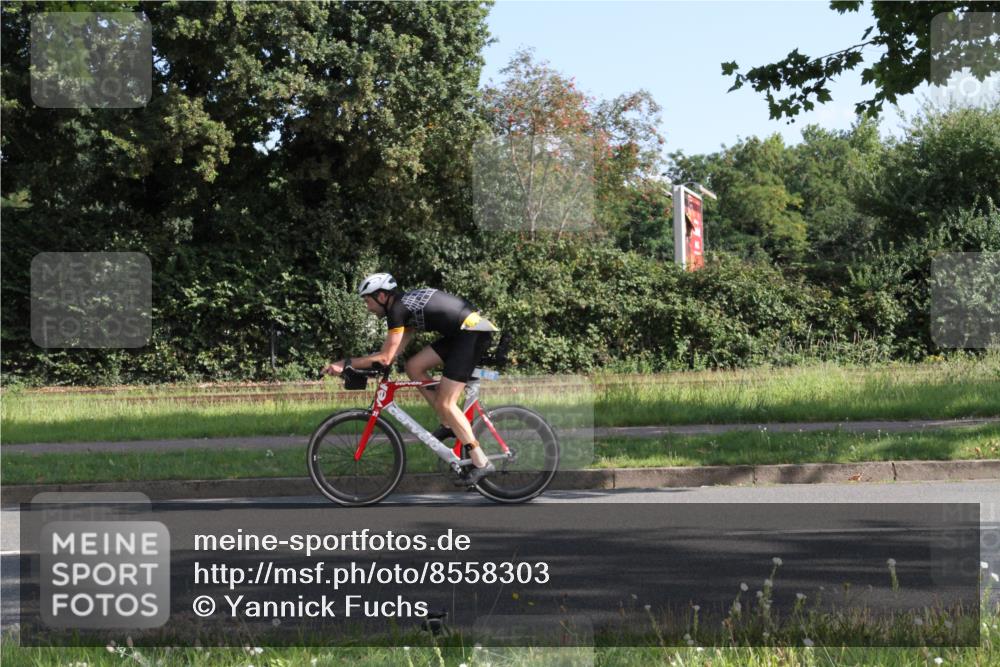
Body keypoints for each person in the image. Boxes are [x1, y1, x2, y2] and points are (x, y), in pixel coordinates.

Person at [322, 272, 498, 484]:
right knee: (414, 366)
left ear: (381, 296)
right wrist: (378, 363)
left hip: (471, 334)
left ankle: (481, 462)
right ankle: (449, 423)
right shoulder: (404, 306)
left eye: (368, 301)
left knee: (447, 402)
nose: (367, 307)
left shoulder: (397, 310)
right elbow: (393, 353)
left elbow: (385, 357)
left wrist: (346, 363)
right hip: (462, 333)